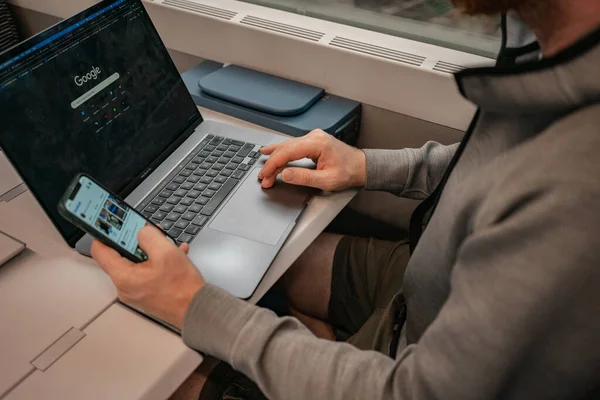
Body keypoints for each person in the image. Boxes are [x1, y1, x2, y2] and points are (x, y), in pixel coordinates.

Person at [92, 0, 600, 398]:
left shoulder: (578, 192)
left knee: (165, 378)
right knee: (275, 259)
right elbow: (494, 166)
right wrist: (365, 166)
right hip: (421, 287)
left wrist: (194, 307)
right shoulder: (554, 49)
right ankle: (325, 341)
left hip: (414, 361)